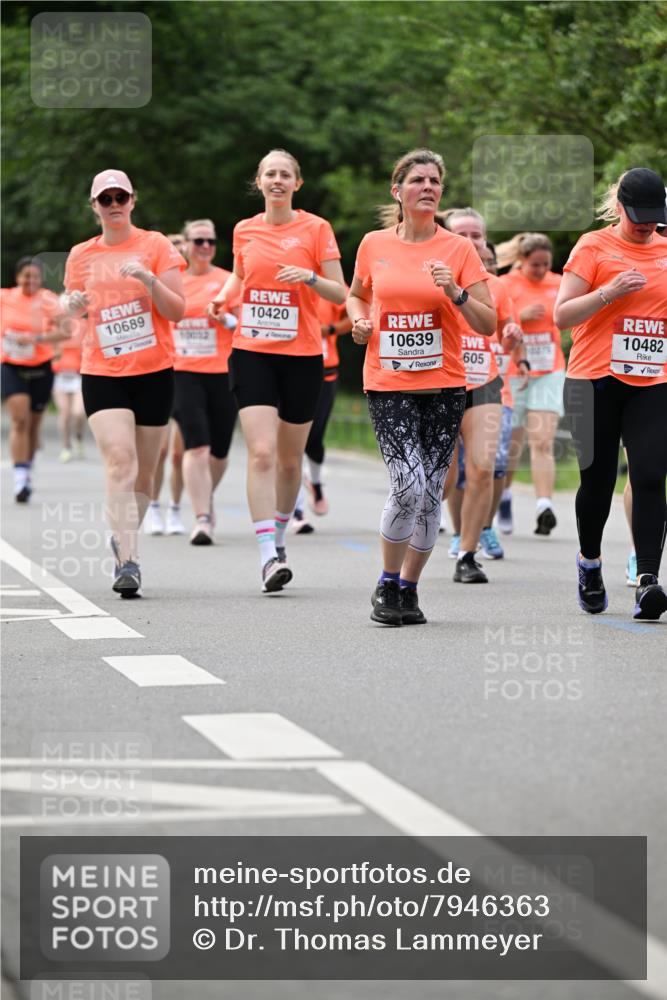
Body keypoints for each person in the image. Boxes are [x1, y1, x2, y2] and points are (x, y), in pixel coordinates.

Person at [347, 149, 495, 625]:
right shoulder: (374, 244)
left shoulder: (458, 250)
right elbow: (356, 294)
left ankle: (408, 588)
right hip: (388, 381)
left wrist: (456, 292)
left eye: (435, 180)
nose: (428, 187)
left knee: (431, 492)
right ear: (399, 191)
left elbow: (488, 323)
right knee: (408, 483)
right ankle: (387, 582)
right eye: (418, 180)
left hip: (445, 383)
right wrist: (359, 322)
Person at [210, 149, 346, 593]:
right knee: (263, 453)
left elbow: (340, 291)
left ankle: (281, 533)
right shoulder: (244, 229)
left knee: (290, 462)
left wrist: (308, 278)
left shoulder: (316, 228)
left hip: (303, 354)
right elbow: (238, 277)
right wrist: (223, 298)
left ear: (296, 184)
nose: (277, 180)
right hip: (251, 351)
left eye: (285, 174)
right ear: (259, 180)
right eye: (269, 173)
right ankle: (267, 552)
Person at [61, 169, 185, 597]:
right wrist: (73, 306)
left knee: (145, 477)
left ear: (133, 200)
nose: (114, 204)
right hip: (102, 371)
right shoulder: (81, 255)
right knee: (120, 460)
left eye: (121, 196)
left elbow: (177, 311)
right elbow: (73, 307)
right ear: (94, 206)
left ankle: (123, 533)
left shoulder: (156, 245)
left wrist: (148, 280)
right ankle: (127, 560)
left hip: (153, 371)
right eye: (105, 198)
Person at [555, 167, 667, 620]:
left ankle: (647, 581)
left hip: (653, 382)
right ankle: (590, 563)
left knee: (648, 476)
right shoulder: (593, 246)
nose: (645, 224)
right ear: (618, 207)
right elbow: (562, 315)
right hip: (593, 379)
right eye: (637, 215)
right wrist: (608, 292)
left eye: (654, 215)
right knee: (597, 483)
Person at [440, 209, 523, 581]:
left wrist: (511, 337)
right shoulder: (428, 276)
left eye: (477, 235)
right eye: (463, 234)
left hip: (484, 382)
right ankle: (418, 535)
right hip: (440, 381)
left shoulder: (496, 284)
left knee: (482, 467)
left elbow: (504, 329)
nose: (471, 241)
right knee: (443, 477)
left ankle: (467, 555)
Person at [172, 218, 238, 545]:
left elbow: (247, 326)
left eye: (210, 241)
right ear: (184, 245)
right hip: (182, 371)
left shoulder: (227, 281)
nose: (205, 247)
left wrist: (224, 318)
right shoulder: (173, 283)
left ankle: (204, 497)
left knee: (220, 451)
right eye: (198, 241)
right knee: (196, 445)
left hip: (223, 372)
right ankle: (201, 518)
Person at [496, 233, 565, 536]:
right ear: (521, 261)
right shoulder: (507, 285)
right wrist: (520, 316)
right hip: (515, 371)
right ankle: (505, 497)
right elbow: (496, 324)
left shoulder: (559, 283)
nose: (540, 270)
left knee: (542, 441)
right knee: (512, 444)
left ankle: (543, 506)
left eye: (545, 264)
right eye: (534, 264)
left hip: (549, 369)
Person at [1, 256, 69, 501]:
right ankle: (20, 480)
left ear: (41, 279)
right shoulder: (5, 297)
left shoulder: (49, 300)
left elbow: (66, 330)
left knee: (33, 424)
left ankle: (28, 467)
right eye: (25, 276)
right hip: (11, 365)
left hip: (41, 367)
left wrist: (37, 339)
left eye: (35, 277)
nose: (30, 281)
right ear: (17, 277)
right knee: (19, 420)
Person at [291, 288, 352, 531]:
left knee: (314, 439)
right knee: (291, 445)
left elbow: (359, 311)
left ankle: (314, 481)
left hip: (325, 372)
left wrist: (331, 330)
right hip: (290, 370)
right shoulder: (285, 281)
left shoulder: (330, 285)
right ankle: (296, 511)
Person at [144, 232, 189, 535]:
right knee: (158, 451)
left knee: (179, 452)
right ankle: (153, 506)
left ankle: (175, 508)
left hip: (191, 375)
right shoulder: (155, 282)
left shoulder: (209, 282)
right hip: (163, 368)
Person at [51, 315, 85, 462]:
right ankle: (66, 446)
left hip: (78, 376)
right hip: (60, 376)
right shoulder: (53, 327)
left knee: (78, 412)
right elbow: (47, 351)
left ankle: (78, 436)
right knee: (64, 413)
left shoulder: (83, 325)